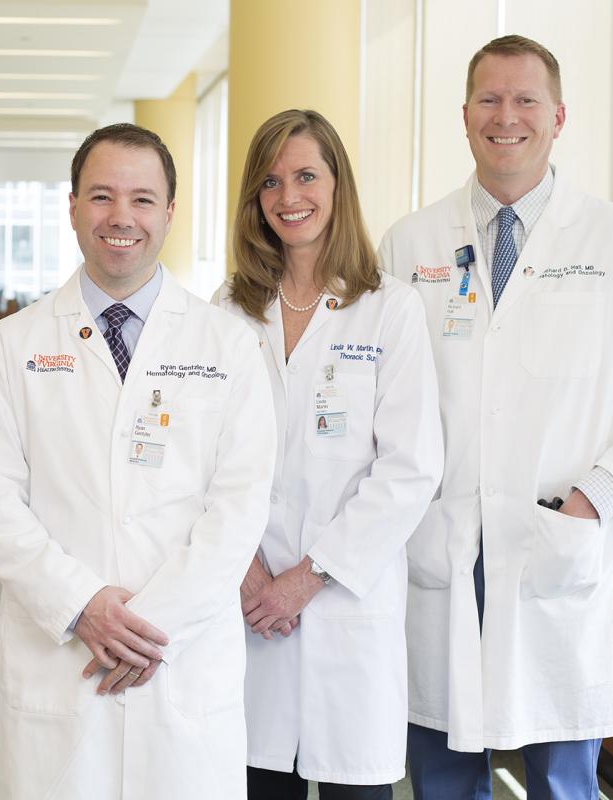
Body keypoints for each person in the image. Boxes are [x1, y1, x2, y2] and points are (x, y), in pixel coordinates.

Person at [378, 35, 613, 798]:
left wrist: (600, 494)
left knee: (563, 782)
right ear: (463, 117)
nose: (507, 116)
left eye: (526, 99)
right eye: (489, 100)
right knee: (441, 775)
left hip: (554, 540)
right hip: (442, 547)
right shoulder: (411, 242)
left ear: (559, 116)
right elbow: (384, 402)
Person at [0, 123, 277, 800]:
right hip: (60, 655)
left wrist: (148, 624)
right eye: (101, 196)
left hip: (181, 661)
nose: (120, 217)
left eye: (141, 198)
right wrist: (83, 607)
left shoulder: (227, 343)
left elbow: (241, 502)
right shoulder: (14, 345)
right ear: (72, 207)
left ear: (168, 212)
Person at [214, 110, 443, 799]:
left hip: (346, 607)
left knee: (355, 786)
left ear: (338, 185)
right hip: (248, 610)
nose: (290, 197)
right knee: (256, 780)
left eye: (307, 175)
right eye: (271, 182)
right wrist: (249, 568)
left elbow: (410, 468)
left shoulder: (388, 309)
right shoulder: (226, 310)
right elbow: (203, 460)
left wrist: (305, 579)